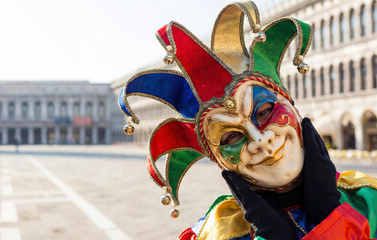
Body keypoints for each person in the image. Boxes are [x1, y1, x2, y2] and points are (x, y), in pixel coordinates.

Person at [118, 1, 377, 239]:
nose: (261, 140)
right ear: (219, 160)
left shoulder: (370, 200)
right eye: (231, 137)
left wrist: (330, 213)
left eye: (264, 111)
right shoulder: (216, 233)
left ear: (293, 111)